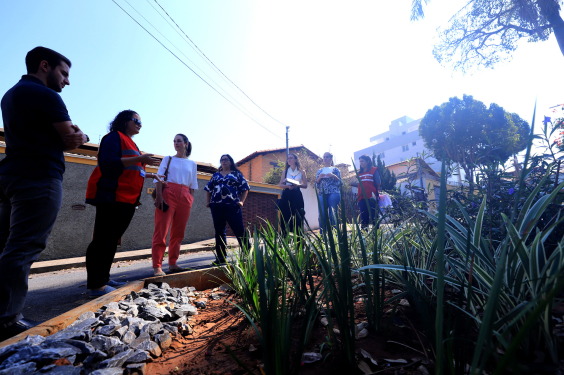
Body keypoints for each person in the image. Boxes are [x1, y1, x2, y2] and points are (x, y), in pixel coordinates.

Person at [0, 47, 89, 340]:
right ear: (44, 66)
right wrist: (83, 136)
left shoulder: (10, 95)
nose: (67, 81)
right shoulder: (48, 96)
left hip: (10, 174)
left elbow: (53, 137)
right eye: (63, 73)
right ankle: (6, 320)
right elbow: (71, 138)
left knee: (5, 245)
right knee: (23, 247)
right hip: (39, 177)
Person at [85, 110, 161, 296]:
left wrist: (149, 174)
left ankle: (105, 278)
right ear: (124, 121)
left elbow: (132, 169)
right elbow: (108, 162)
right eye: (136, 120)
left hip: (127, 199)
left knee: (111, 240)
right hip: (112, 196)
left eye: (141, 122)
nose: (139, 124)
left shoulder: (131, 143)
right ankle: (96, 285)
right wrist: (141, 159)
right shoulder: (113, 137)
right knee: (102, 240)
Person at [152, 134, 198, 276]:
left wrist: (190, 199)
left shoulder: (192, 164)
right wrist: (159, 196)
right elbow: (159, 178)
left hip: (185, 196)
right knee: (162, 230)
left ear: (186, 143)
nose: (176, 143)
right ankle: (157, 267)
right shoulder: (168, 159)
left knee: (179, 232)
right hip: (168, 193)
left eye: (179, 141)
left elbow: (192, 185)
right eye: (174, 141)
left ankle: (173, 263)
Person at [204, 154, 250, 265]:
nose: (223, 162)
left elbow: (245, 188)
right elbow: (209, 189)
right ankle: (221, 257)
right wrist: (208, 202)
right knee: (219, 232)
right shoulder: (215, 175)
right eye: (221, 160)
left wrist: (241, 201)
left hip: (232, 206)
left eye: (226, 160)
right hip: (217, 206)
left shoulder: (237, 174)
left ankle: (248, 255)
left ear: (230, 161)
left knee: (239, 230)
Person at [278, 153, 308, 235]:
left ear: (296, 160)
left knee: (298, 217)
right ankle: (285, 240)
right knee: (285, 217)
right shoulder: (285, 171)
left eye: (291, 158)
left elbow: (305, 185)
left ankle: (299, 242)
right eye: (288, 158)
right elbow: (280, 185)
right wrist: (287, 186)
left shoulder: (302, 171)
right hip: (286, 195)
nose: (289, 160)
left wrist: (297, 185)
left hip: (297, 195)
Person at [315, 152, 342, 232]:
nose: (325, 158)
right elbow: (316, 185)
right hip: (322, 193)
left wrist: (334, 176)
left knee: (332, 214)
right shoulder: (319, 171)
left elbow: (340, 183)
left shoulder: (336, 170)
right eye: (324, 157)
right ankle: (323, 238)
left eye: (327, 157)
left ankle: (335, 236)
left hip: (334, 192)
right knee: (322, 215)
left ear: (331, 159)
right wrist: (319, 177)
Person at [357, 155, 381, 229]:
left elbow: (378, 183)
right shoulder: (359, 173)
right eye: (360, 161)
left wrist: (373, 191)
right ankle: (364, 236)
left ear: (368, 161)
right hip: (362, 198)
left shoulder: (373, 170)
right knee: (364, 218)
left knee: (374, 216)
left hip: (372, 198)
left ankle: (376, 235)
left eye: (362, 161)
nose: (361, 163)